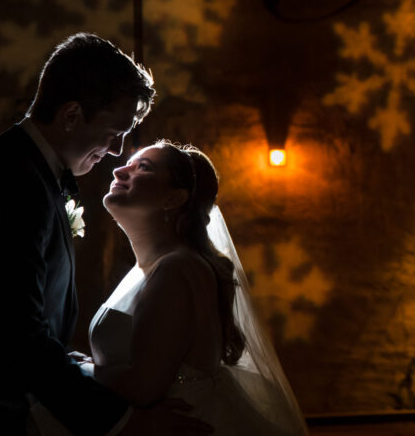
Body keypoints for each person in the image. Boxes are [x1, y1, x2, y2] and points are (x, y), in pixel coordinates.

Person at [0, 32, 208, 435]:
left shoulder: (30, 173)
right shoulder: (13, 180)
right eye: (114, 132)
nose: (115, 151)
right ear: (72, 115)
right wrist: (125, 423)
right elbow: (16, 330)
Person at [67, 141, 306, 435]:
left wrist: (80, 371)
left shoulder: (176, 269)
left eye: (143, 167)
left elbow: (144, 388)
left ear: (173, 199)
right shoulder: (156, 267)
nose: (118, 170)